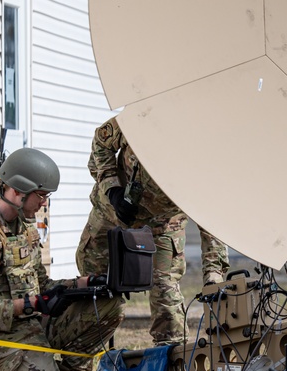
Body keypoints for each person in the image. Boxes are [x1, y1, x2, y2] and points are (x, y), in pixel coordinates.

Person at [0, 147, 123, 371]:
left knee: (107, 306)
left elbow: (41, 285)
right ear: (18, 191)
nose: (44, 203)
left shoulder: (25, 228)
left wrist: (85, 284)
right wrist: (33, 304)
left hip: (31, 324)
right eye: (41, 195)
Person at [76, 116, 230, 349]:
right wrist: (113, 190)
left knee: (165, 293)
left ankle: (172, 360)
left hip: (163, 225)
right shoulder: (145, 114)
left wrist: (214, 273)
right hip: (111, 211)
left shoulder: (203, 152)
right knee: (92, 281)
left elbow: (213, 222)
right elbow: (101, 142)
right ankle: (86, 350)